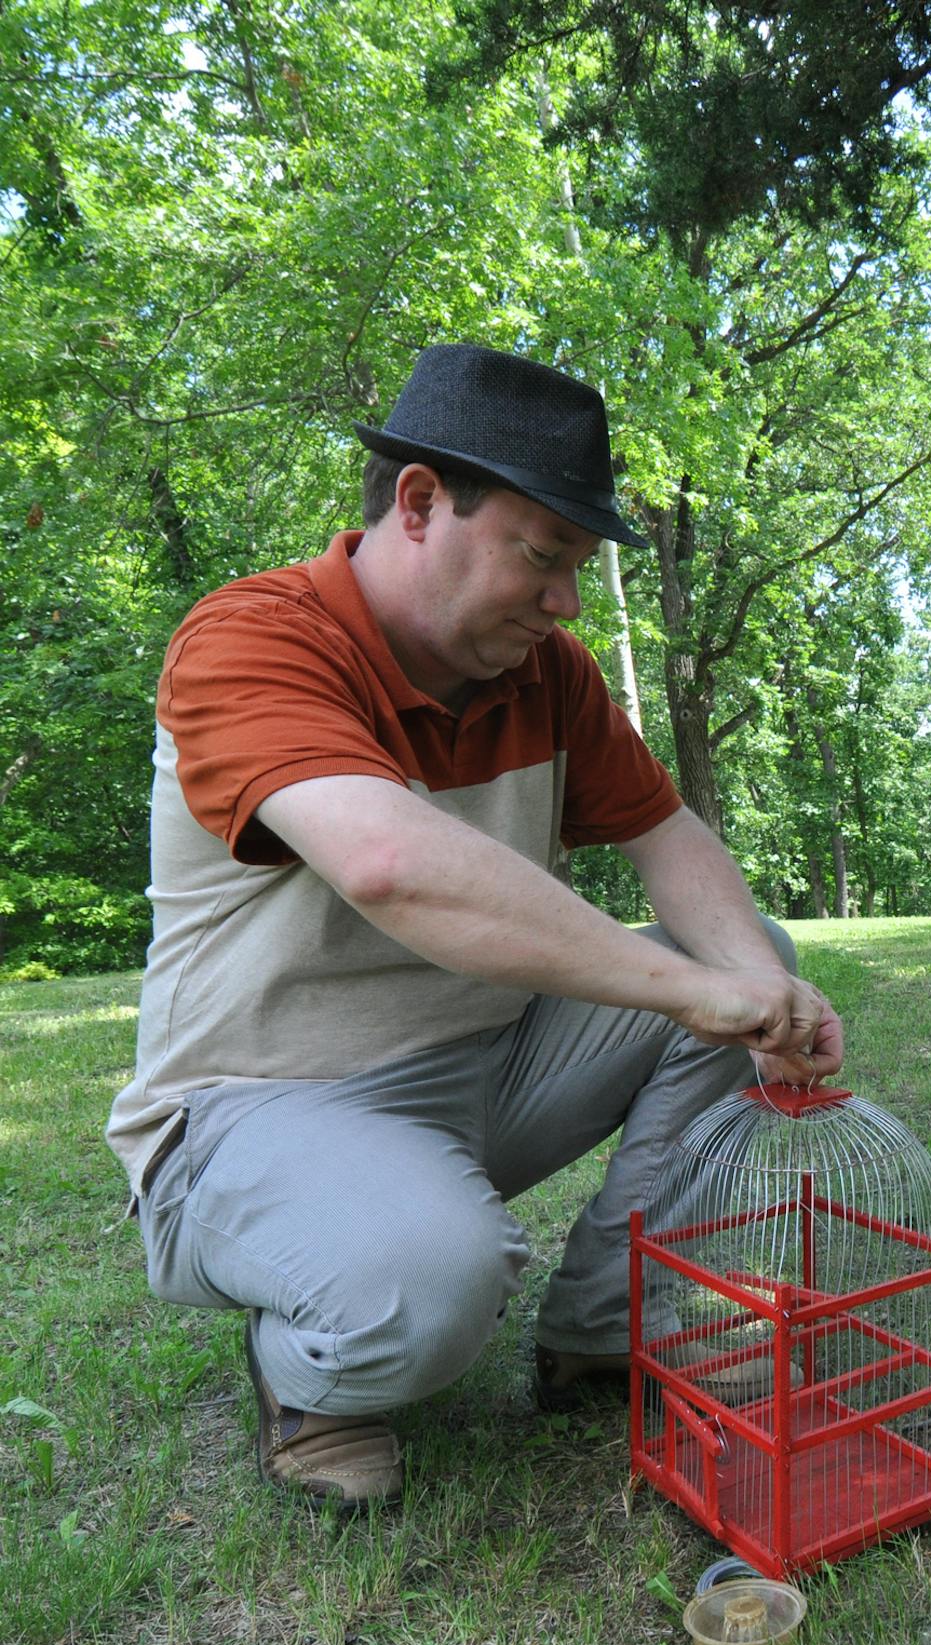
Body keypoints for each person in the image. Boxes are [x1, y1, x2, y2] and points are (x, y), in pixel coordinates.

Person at [105, 344, 842, 1508]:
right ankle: (311, 1377)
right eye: (543, 556)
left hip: (485, 1070)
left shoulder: (548, 672)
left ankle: (607, 1323)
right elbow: (391, 863)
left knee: (756, 963)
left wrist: (761, 990)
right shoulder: (255, 637)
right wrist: (698, 991)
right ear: (418, 503)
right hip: (256, 1110)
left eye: (578, 568)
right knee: (432, 1281)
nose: (566, 601)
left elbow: (670, 837)